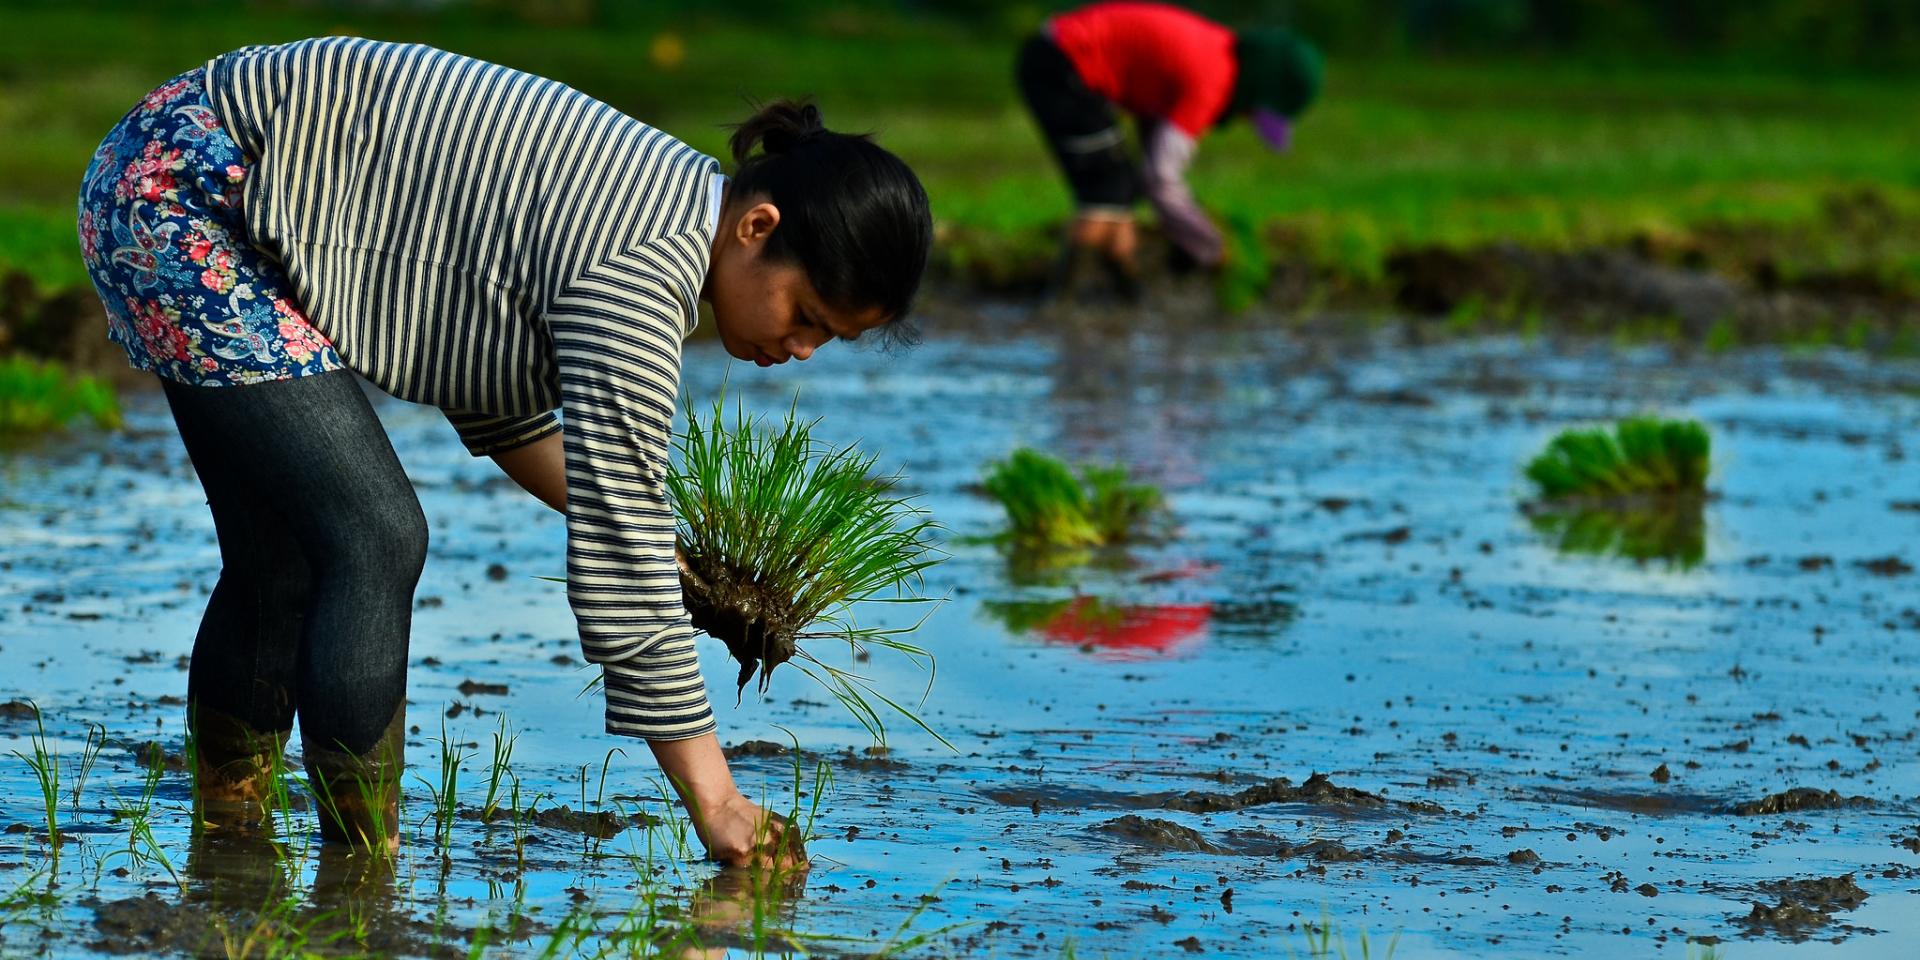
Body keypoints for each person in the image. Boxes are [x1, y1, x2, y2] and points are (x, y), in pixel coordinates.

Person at [76, 36, 931, 863]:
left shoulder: (666, 207)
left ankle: (229, 841)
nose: (805, 350)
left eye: (831, 338)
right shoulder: (642, 269)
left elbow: (507, 409)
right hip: (186, 196)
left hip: (184, 166)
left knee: (281, 557)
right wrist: (718, 799)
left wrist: (672, 555)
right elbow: (617, 556)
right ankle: (360, 873)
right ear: (758, 227)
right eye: (808, 316)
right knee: (376, 538)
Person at [1015, 2, 1322, 285]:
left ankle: (1127, 293)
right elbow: (1160, 178)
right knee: (1104, 194)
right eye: (1253, 111)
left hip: (1063, 56)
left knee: (1121, 191)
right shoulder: (1211, 82)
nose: (1245, 118)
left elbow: (1151, 141)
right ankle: (1059, 305)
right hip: (1063, 63)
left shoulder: (1215, 51)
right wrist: (1210, 247)